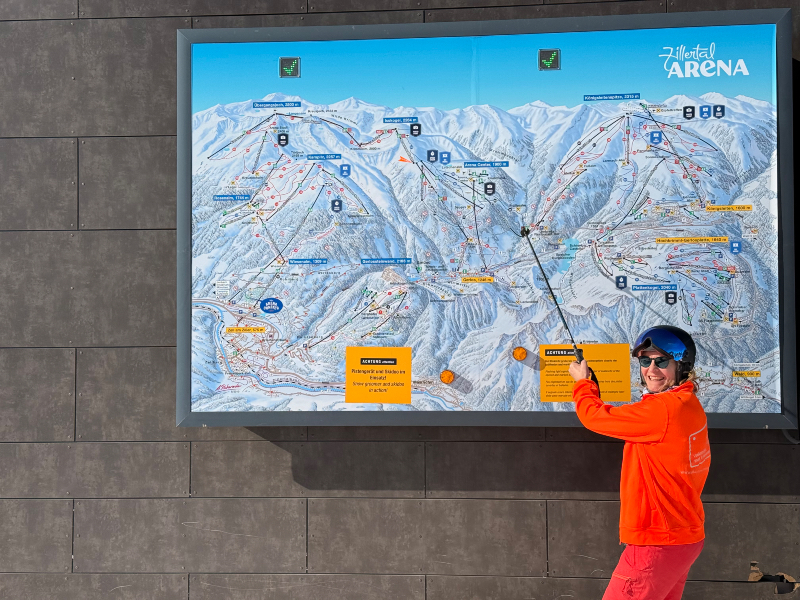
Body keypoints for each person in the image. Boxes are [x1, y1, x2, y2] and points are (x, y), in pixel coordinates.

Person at [568, 325, 710, 600]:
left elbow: (593, 417)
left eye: (661, 361)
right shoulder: (687, 402)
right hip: (683, 538)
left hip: (656, 542)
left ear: (681, 366)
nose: (652, 370)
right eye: (645, 361)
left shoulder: (661, 411)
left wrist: (583, 383)